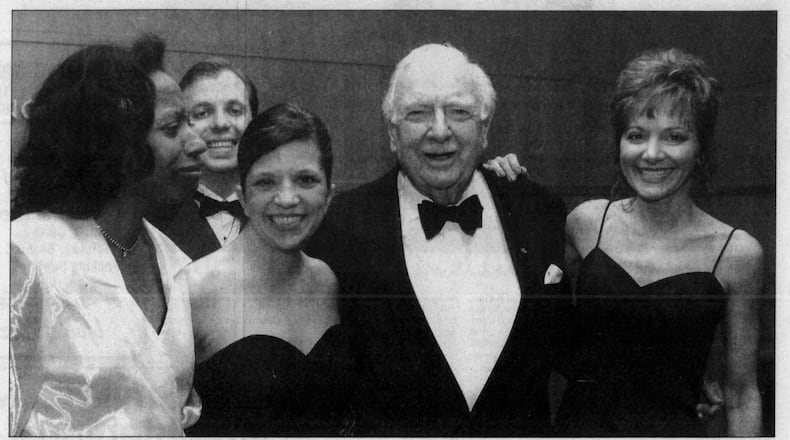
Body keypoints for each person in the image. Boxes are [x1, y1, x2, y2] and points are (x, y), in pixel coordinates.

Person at [492, 48, 763, 436]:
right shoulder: (585, 223)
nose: (652, 154)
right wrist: (498, 181)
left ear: (700, 148)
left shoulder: (738, 254)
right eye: (636, 135)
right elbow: (533, 316)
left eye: (675, 136)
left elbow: (741, 395)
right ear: (619, 143)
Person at [307, 43, 568, 436]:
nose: (440, 130)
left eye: (459, 112)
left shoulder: (538, 211)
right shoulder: (344, 226)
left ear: (485, 129)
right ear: (393, 134)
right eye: (418, 113)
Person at [10, 36, 206, 435]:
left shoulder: (173, 261)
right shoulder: (27, 252)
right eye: (172, 127)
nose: (198, 142)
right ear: (115, 142)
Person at [180, 103, 356, 436]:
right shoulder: (194, 288)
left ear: (329, 196)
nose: (287, 199)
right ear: (242, 198)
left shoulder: (328, 280)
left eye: (305, 179)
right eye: (266, 182)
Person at [146, 58, 258, 259]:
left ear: (254, 121)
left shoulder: (282, 211)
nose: (220, 124)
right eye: (202, 113)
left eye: (234, 111)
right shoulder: (150, 217)